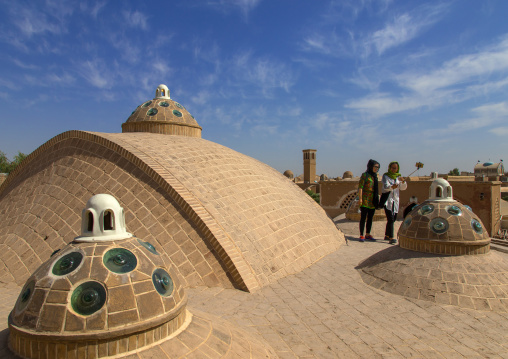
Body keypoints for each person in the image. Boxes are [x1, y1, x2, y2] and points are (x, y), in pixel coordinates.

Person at [382, 161, 407, 244]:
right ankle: (391, 237)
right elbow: (385, 186)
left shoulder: (398, 177)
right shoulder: (386, 176)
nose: (393, 170)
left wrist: (403, 182)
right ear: (389, 168)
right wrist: (391, 187)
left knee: (394, 218)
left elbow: (403, 188)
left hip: (395, 200)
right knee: (390, 218)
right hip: (387, 200)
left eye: (395, 168)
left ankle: (387, 235)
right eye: (392, 168)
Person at [357, 159, 380, 242]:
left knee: (370, 217)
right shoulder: (365, 175)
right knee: (363, 217)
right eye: (375, 167)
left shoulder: (375, 177)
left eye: (378, 167)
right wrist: (360, 199)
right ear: (370, 166)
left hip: (372, 199)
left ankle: (367, 234)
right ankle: (361, 235)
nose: (376, 168)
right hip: (365, 199)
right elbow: (360, 187)